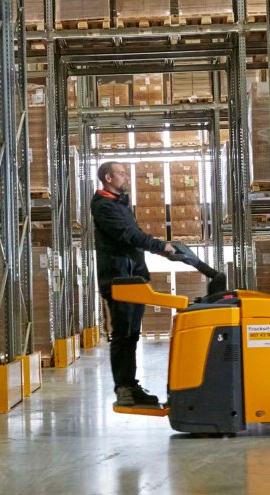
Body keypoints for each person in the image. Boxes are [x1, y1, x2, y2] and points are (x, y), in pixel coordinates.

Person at [91, 161, 175, 406]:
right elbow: (128, 235)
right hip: (119, 280)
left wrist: (158, 250)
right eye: (121, 173)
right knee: (123, 334)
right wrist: (159, 245)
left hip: (133, 278)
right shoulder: (104, 206)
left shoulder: (120, 204)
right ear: (108, 178)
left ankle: (131, 385)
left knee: (132, 335)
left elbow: (134, 235)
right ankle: (123, 388)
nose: (126, 177)